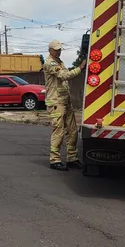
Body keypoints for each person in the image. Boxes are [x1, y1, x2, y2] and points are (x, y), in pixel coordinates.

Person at [43, 39, 86, 171]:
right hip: (56, 103)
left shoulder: (59, 62)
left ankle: (72, 158)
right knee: (59, 131)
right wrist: (80, 68)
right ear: (50, 50)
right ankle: (54, 160)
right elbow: (64, 76)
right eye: (56, 49)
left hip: (65, 101)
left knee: (73, 131)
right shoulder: (50, 63)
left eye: (60, 49)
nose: (58, 51)